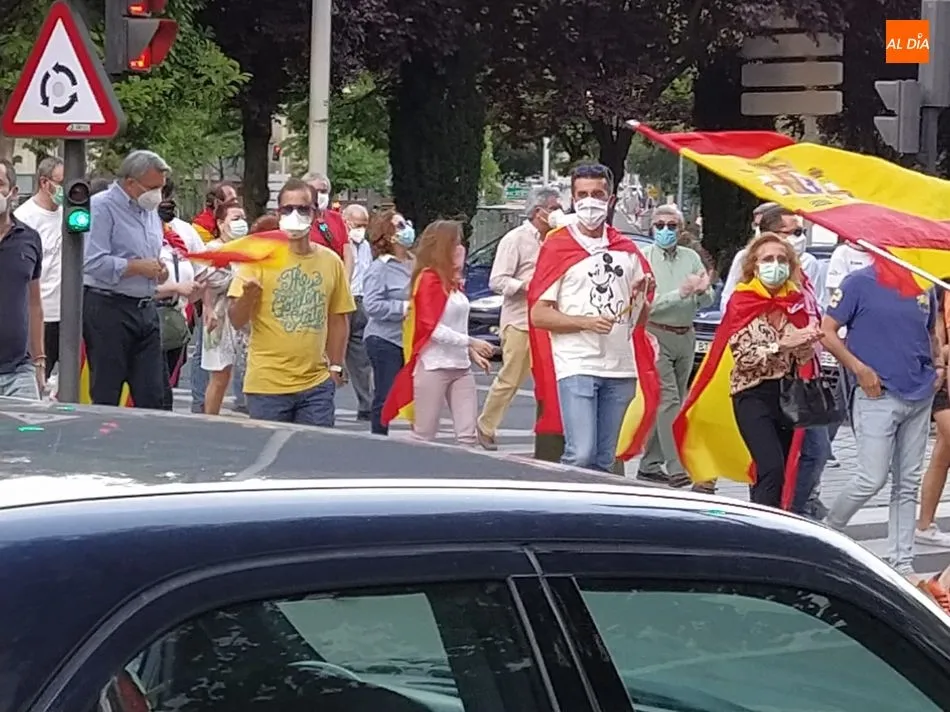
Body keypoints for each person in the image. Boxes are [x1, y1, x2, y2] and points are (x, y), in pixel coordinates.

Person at [529, 163, 652, 472]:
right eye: (582, 195)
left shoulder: (627, 251)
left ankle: (593, 504)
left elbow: (639, 320)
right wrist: (585, 322)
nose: (590, 202)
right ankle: (565, 501)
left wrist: (640, 297)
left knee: (605, 459)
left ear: (611, 199)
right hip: (577, 362)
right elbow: (539, 314)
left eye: (597, 194)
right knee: (581, 453)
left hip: (620, 366)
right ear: (573, 199)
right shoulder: (558, 246)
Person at [821, 266, 939, 578]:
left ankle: (902, 562)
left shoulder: (923, 284)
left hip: (919, 393)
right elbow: (827, 331)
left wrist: (938, 366)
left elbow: (930, 332)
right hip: (877, 394)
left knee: (907, 483)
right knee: (871, 478)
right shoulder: (859, 282)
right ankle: (828, 530)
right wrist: (859, 369)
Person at [228, 178, 354, 426]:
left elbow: (338, 318)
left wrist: (336, 366)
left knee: (314, 450)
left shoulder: (331, 261)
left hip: (316, 385)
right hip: (268, 385)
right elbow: (236, 319)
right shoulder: (259, 259)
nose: (294, 215)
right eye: (287, 209)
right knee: (270, 450)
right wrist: (248, 297)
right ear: (278, 214)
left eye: (302, 209)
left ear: (315, 213)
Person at [727, 233, 821, 507]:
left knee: (782, 469)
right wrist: (780, 345)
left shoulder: (795, 302)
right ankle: (763, 523)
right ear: (754, 266)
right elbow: (743, 357)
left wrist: (808, 341)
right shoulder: (742, 301)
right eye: (768, 259)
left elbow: (802, 359)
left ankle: (768, 517)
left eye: (781, 259)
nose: (775, 265)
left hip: (787, 395)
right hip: (752, 393)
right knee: (771, 467)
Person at [380, 220, 494, 444]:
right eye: (457, 243)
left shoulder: (453, 282)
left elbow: (456, 324)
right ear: (444, 247)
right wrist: (471, 342)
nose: (462, 249)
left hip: (461, 367)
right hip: (433, 365)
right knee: (424, 435)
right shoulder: (428, 280)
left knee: (467, 435)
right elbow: (432, 328)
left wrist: (471, 353)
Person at [82, 150, 170, 409]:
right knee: (107, 390)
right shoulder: (101, 207)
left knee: (154, 394)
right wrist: (135, 267)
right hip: (109, 308)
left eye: (161, 188)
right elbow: (92, 261)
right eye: (152, 188)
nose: (157, 195)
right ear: (130, 182)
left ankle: (146, 434)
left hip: (146, 307)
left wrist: (159, 269)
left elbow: (152, 252)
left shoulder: (149, 210)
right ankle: (106, 433)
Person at [476, 186, 561, 450]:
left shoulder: (558, 239)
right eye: (554, 208)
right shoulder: (515, 239)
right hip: (520, 321)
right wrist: (527, 286)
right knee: (511, 377)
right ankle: (486, 426)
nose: (559, 213)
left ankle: (551, 435)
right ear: (538, 211)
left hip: (552, 321)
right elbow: (497, 280)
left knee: (552, 382)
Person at [637, 204, 715, 489]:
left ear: (681, 230)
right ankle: (676, 465)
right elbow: (644, 306)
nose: (665, 230)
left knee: (674, 401)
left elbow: (708, 299)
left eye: (672, 226)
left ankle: (649, 465)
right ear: (652, 227)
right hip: (655, 333)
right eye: (660, 225)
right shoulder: (643, 258)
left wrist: (702, 291)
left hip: (686, 334)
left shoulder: (690, 257)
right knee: (668, 399)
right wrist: (680, 293)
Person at [363, 210, 415, 435]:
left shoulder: (414, 262)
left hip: (410, 338)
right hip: (384, 339)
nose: (407, 229)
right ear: (388, 234)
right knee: (385, 393)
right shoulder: (380, 268)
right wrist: (404, 308)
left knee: (416, 391)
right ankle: (379, 437)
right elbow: (372, 305)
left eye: (406, 223)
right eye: (400, 225)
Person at [14, 157, 63, 386]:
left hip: (70, 315)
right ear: (45, 182)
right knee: (37, 383)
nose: (66, 189)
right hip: (39, 315)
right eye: (62, 182)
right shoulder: (24, 218)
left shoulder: (71, 214)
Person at [0, 158, 45, 399]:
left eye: (0, 184)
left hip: (19, 372)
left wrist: (39, 360)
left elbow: (34, 303)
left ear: (13, 192)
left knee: (30, 425)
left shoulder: (29, 239)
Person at [201, 202, 247, 415]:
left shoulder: (248, 249)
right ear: (221, 223)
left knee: (248, 372)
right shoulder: (212, 250)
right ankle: (209, 418)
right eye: (235, 219)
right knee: (220, 375)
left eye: (243, 218)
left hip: (245, 316)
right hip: (220, 316)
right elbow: (204, 282)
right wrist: (208, 309)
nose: (241, 223)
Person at [722, 206, 819, 307]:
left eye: (782, 260)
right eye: (796, 232)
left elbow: (817, 303)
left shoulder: (809, 262)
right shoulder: (744, 257)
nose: (801, 238)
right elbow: (728, 299)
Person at [917, 284, 950, 546]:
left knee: (943, 449)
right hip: (942, 376)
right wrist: (941, 358)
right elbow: (936, 330)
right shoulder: (940, 285)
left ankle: (925, 523)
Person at [341, 203, 374, 420]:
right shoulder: (340, 243)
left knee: (361, 357)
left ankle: (366, 405)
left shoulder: (366, 246)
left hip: (362, 301)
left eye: (364, 225)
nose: (361, 229)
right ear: (345, 221)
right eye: (357, 224)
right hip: (344, 300)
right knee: (332, 353)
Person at [303, 173, 347, 259]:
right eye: (315, 191)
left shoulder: (336, 218)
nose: (319, 195)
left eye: (323, 191)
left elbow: (347, 251)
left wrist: (346, 268)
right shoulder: (299, 218)